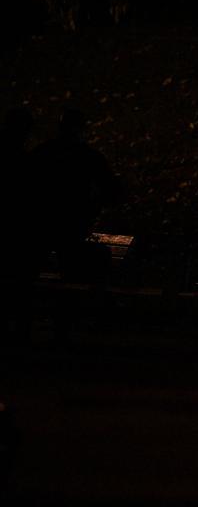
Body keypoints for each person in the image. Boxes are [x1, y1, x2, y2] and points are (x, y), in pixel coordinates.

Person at [30, 109, 121, 282]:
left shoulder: (43, 152)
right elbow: (113, 192)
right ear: (83, 129)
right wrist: (93, 206)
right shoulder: (90, 157)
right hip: (74, 227)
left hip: (42, 226)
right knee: (74, 271)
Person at [0, 108, 36, 339]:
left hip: (12, 231)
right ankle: (20, 329)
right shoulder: (24, 161)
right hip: (19, 233)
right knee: (21, 279)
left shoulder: (20, 159)